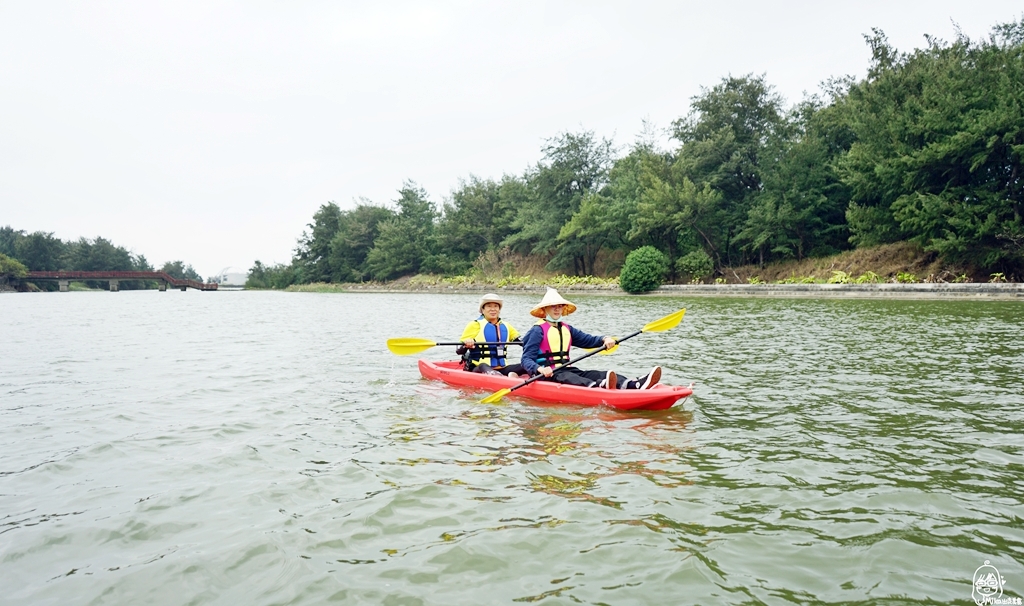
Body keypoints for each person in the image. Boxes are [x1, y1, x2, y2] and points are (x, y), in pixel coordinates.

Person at [520, 288, 661, 389]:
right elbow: (526, 359)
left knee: (598, 373)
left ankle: (633, 384)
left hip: (566, 369)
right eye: (553, 307)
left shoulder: (567, 328)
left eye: (559, 306)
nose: (557, 309)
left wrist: (604, 339)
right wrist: (539, 369)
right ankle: (600, 386)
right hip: (546, 375)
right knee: (570, 378)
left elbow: (588, 340)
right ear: (545, 310)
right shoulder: (537, 331)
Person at [457, 293, 526, 376]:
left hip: (502, 368)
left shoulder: (506, 326)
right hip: (478, 368)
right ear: (482, 309)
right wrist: (466, 345)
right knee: (483, 366)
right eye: (489, 306)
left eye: (496, 306)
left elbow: (522, 342)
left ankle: (506, 375)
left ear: (499, 309)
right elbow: (459, 351)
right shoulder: (474, 325)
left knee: (526, 365)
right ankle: (501, 377)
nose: (493, 309)